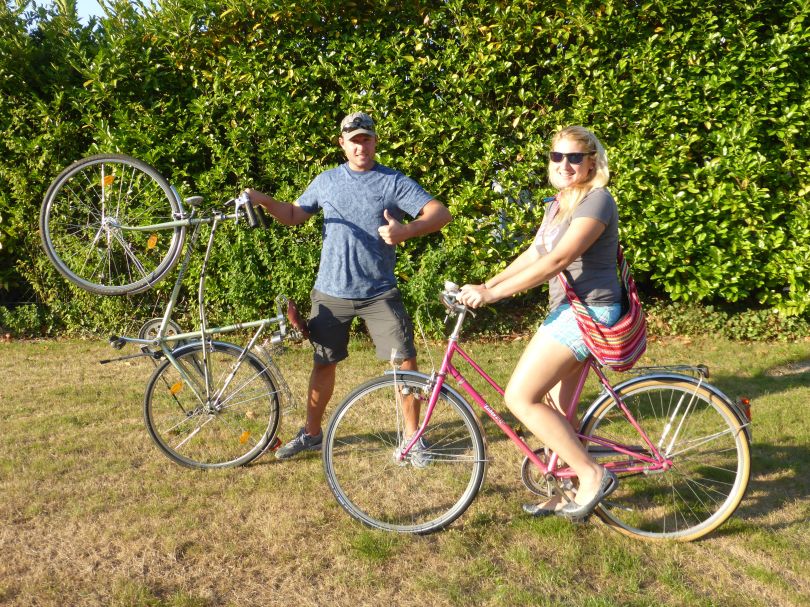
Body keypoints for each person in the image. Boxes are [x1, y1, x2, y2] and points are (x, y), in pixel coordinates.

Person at [244, 112, 452, 461]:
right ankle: (312, 434)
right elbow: (294, 214)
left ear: (375, 142)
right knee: (324, 363)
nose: (361, 147)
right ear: (342, 144)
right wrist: (262, 199)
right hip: (332, 292)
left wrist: (406, 230)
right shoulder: (326, 181)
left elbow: (440, 213)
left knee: (404, 362)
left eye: (366, 139)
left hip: (379, 292)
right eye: (354, 141)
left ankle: (413, 439)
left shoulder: (393, 182)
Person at [458, 126, 621, 522]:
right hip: (568, 309)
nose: (565, 164)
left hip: (588, 311)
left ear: (591, 162)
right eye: (557, 156)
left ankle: (592, 475)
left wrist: (495, 296)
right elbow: (535, 253)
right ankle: (567, 493)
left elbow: (557, 260)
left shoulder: (597, 201)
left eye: (574, 157)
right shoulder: (560, 203)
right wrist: (487, 284)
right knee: (555, 408)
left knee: (520, 397)